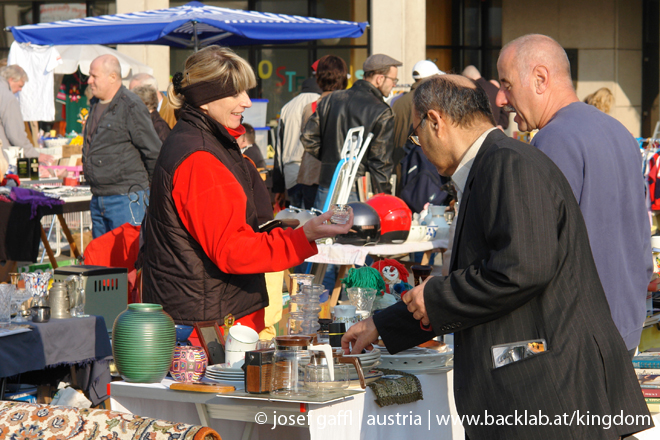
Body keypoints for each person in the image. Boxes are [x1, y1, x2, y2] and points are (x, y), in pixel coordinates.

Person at [343, 74, 652, 440]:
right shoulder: (497, 163)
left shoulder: (509, 163)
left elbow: (521, 269)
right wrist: (386, 323)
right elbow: (486, 278)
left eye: (416, 134)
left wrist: (435, 296)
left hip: (549, 396)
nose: (419, 146)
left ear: (435, 121)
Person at [140, 46, 353, 332]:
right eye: (236, 93)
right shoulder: (200, 157)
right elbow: (234, 250)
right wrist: (304, 236)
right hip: (207, 326)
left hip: (208, 312)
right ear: (205, 100)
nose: (247, 102)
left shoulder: (206, 142)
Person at [496, 34, 652, 354]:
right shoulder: (619, 132)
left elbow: (534, 256)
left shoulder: (554, 139)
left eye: (507, 84)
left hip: (579, 338)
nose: (500, 98)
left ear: (540, 79)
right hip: (624, 327)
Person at [301, 53, 401, 209]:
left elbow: (308, 138)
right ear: (380, 79)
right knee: (354, 233)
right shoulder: (381, 111)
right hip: (358, 187)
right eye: (393, 80)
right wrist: (384, 198)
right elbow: (381, 162)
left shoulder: (331, 100)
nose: (394, 84)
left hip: (328, 183)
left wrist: (331, 160)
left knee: (323, 231)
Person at [84, 54, 161, 238]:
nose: (89, 81)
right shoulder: (95, 105)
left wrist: (149, 192)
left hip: (126, 199)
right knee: (101, 264)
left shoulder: (131, 106)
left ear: (112, 77)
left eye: (94, 76)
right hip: (98, 198)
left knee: (129, 262)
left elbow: (153, 152)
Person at [273, 63, 321, 209]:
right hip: (314, 171)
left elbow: (279, 148)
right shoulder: (323, 103)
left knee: (298, 222)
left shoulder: (287, 107)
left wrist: (278, 186)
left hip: (291, 172)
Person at [0, 65, 51, 164]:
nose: (20, 90)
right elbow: (16, 134)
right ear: (11, 79)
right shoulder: (7, 98)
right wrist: (34, 155)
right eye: (20, 86)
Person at [392, 60, 444, 157]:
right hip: (418, 164)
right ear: (431, 78)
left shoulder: (397, 102)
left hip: (399, 163)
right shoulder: (430, 101)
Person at [462, 65, 509, 130]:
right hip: (496, 133)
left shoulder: (472, 91)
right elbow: (505, 120)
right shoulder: (495, 89)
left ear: (467, 77)